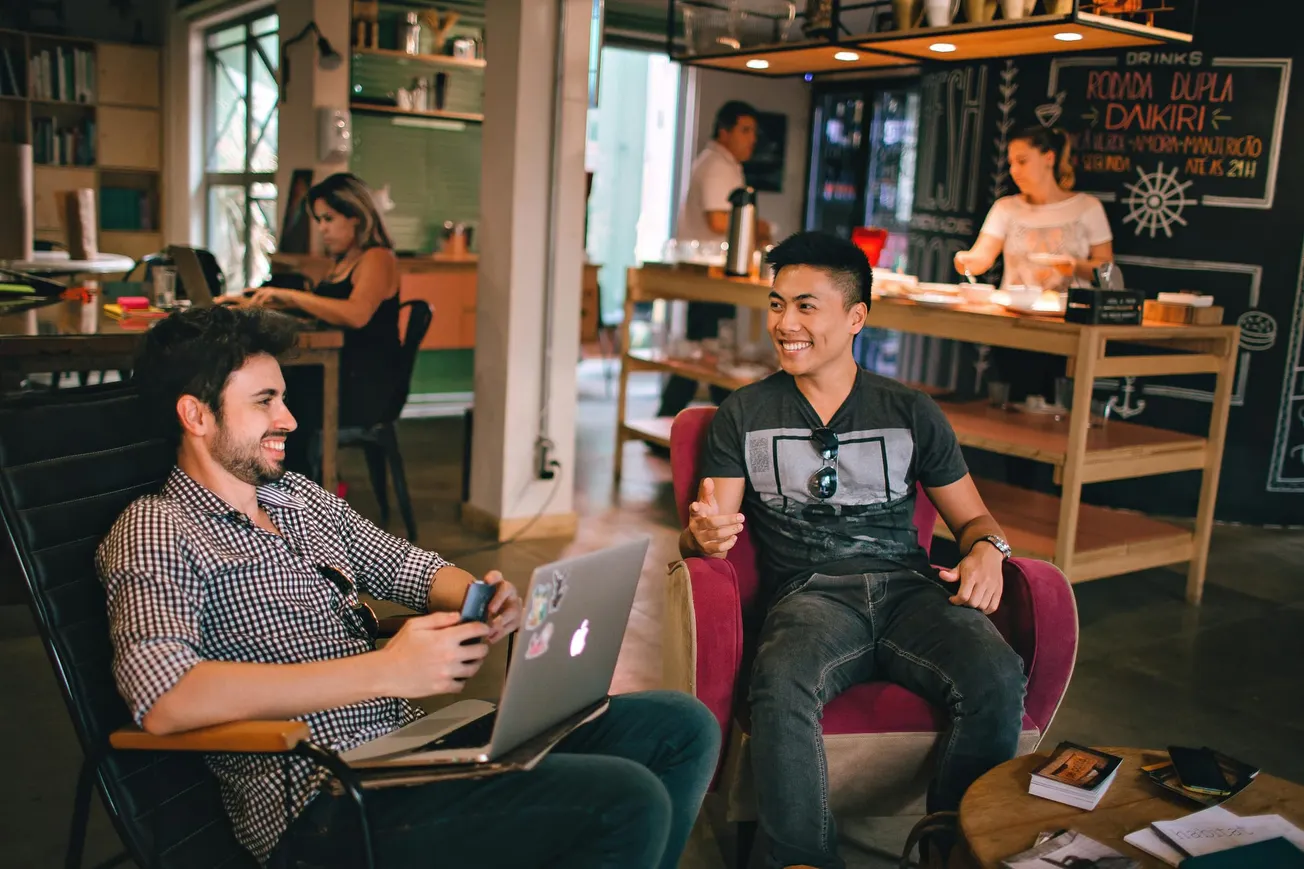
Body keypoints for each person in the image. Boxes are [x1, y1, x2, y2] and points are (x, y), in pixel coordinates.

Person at [97, 305, 721, 868]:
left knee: (680, 726)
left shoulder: (296, 499)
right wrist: (386, 672)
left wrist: (480, 598)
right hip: (324, 803)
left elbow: (411, 568)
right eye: (264, 401)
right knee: (623, 800)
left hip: (410, 753)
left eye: (283, 397)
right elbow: (165, 697)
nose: (288, 417)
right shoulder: (158, 527)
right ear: (195, 414)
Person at [681, 231, 1026, 869]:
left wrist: (989, 550)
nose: (785, 324)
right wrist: (701, 536)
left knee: (997, 674)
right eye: (777, 304)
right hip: (810, 596)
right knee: (781, 679)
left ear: (856, 316)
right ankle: (800, 860)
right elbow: (711, 524)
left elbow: (974, 518)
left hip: (910, 592)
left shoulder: (910, 411)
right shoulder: (744, 413)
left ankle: (953, 852)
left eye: (806, 306)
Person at [232, 172, 405, 476]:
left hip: (363, 384)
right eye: (319, 219)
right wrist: (264, 300)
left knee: (276, 398)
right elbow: (327, 310)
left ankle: (290, 491)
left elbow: (355, 314)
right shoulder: (345, 260)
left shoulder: (378, 258)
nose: (322, 228)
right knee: (269, 389)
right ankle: (272, 487)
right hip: (339, 370)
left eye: (329, 218)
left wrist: (292, 297)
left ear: (355, 217)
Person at [656, 101, 773, 426]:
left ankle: (701, 424)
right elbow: (720, 219)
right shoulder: (717, 165)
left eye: (754, 132)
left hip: (715, 275)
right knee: (709, 353)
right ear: (724, 131)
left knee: (708, 353)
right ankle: (684, 424)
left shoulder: (723, 164)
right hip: (711, 275)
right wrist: (759, 227)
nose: (752, 139)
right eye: (745, 130)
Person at [953, 125, 1113, 291]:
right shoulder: (1005, 207)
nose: (1014, 171)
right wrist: (966, 261)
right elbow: (982, 257)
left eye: (1022, 161)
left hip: (1070, 312)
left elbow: (1106, 271)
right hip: (1013, 311)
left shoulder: (1087, 207)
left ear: (1049, 158)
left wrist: (1074, 266)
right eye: (1011, 164)